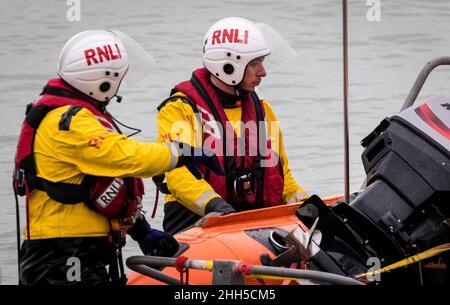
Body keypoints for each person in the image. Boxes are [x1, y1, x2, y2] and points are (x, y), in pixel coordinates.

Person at [12, 30, 222, 285]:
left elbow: (98, 188)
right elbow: (127, 156)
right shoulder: (68, 122)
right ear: (103, 80)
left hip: (85, 253)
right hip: (63, 258)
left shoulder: (77, 117)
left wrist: (141, 231)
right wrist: (181, 152)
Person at [155, 17, 308, 235]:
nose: (263, 72)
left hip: (252, 226)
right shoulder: (180, 109)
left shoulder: (263, 110)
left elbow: (282, 176)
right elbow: (179, 176)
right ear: (228, 65)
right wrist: (216, 206)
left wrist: (306, 203)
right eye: (255, 63)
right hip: (197, 224)